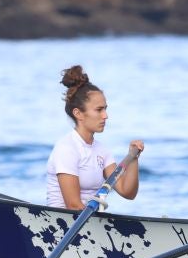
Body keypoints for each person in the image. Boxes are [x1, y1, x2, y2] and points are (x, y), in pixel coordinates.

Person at [46, 65, 144, 209]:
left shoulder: (102, 151)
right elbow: (73, 206)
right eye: (99, 110)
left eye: (105, 109)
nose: (105, 115)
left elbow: (127, 192)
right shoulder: (67, 148)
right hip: (60, 220)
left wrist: (133, 158)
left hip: (88, 218)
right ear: (78, 113)